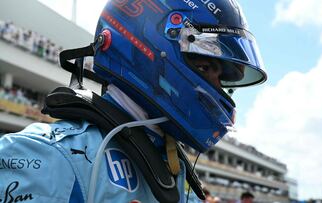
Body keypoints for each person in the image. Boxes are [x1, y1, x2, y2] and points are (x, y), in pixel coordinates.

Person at [0, 0, 267, 202]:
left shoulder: (174, 164)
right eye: (206, 66)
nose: (216, 87)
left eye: (220, 77)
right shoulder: (46, 157)